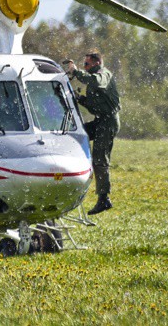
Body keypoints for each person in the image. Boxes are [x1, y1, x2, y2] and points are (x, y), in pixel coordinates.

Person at [63, 50, 120, 215]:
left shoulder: (103, 74)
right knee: (76, 136)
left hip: (108, 122)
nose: (84, 67)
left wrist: (76, 72)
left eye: (86, 64)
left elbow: (96, 83)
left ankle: (104, 198)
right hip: (100, 120)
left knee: (100, 158)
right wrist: (77, 98)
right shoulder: (93, 76)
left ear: (96, 63)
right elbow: (93, 103)